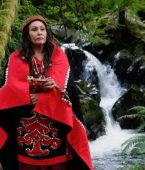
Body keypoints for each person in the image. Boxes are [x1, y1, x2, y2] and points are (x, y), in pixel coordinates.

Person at [0, 15, 93, 170]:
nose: (39, 32)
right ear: (27, 34)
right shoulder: (16, 58)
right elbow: (9, 88)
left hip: (55, 123)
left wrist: (41, 97)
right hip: (25, 124)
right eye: (34, 29)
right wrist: (26, 96)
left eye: (42, 29)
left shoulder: (58, 56)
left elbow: (65, 86)